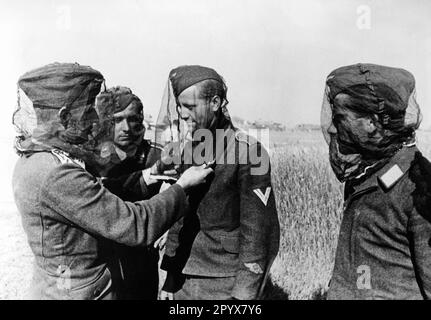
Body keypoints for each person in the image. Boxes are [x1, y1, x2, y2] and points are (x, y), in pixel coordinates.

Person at [12, 62, 213, 300]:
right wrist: (182, 187)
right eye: (88, 110)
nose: (96, 119)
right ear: (64, 116)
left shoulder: (36, 159)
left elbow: (96, 193)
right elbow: (135, 224)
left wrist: (150, 173)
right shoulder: (58, 173)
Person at [156, 65, 280, 300]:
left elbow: (258, 232)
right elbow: (181, 219)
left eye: (190, 107)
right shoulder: (189, 150)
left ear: (215, 103)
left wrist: (243, 295)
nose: (182, 114)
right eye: (180, 106)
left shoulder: (249, 152)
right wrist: (171, 278)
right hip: (185, 276)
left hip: (226, 281)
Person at [321, 63, 431, 299]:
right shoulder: (365, 172)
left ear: (371, 122)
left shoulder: (419, 184)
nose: (333, 127)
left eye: (340, 117)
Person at [95, 86, 164, 300]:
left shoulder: (156, 157)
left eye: (132, 119)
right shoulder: (92, 161)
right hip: (104, 261)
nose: (126, 128)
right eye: (117, 120)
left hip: (142, 261)